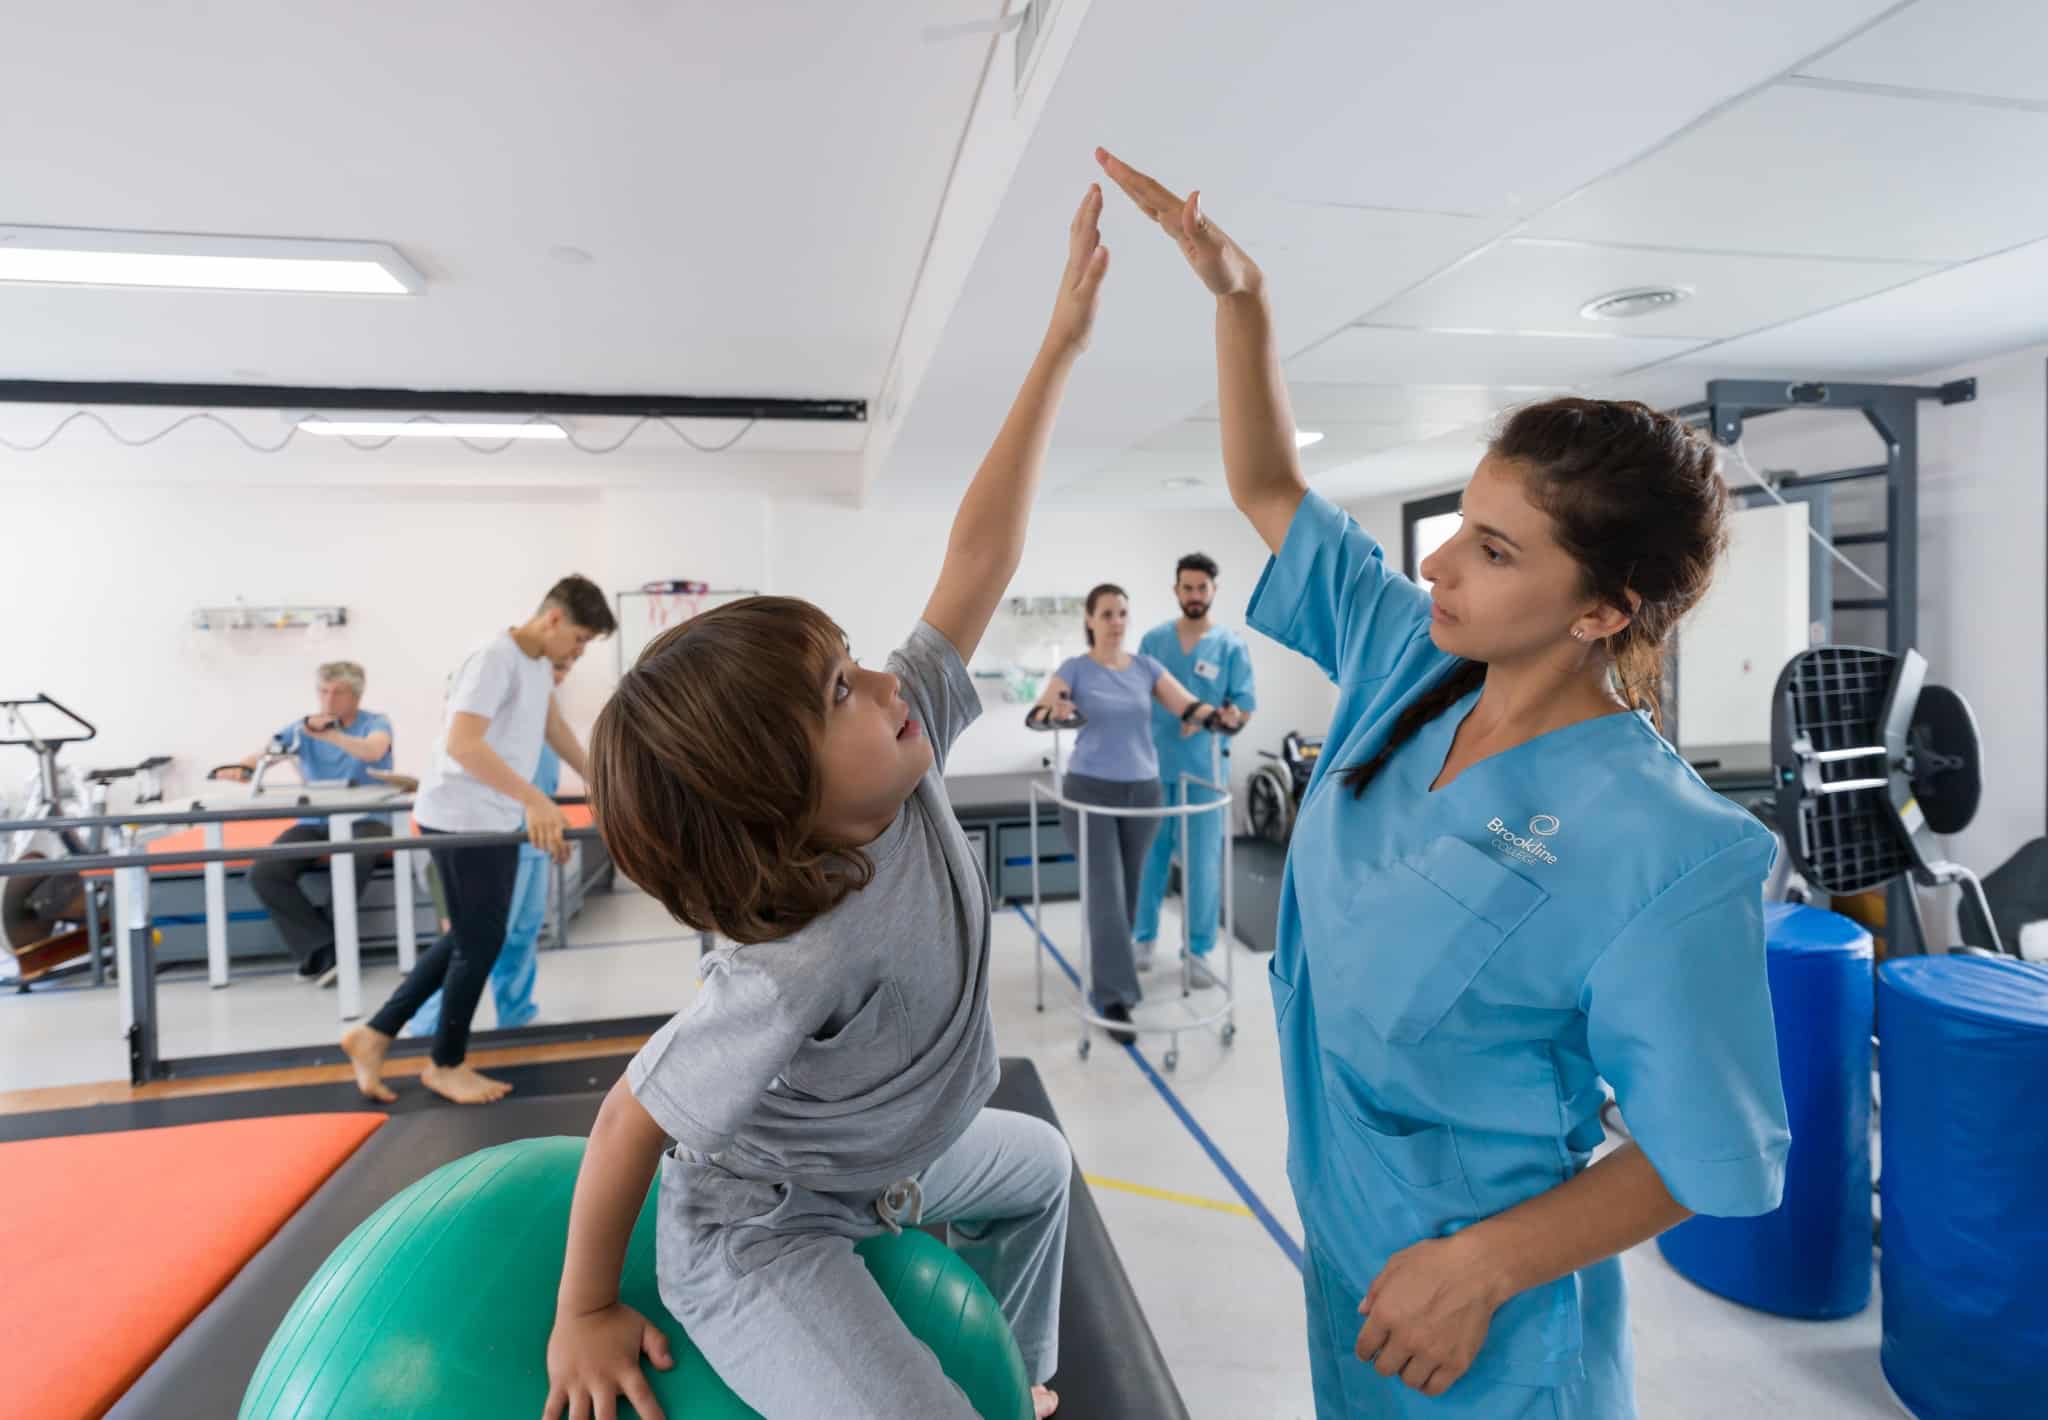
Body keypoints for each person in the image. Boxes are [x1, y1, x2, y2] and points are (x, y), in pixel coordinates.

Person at [1100, 148, 1790, 1419]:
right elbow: (1267, 487)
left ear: (1603, 609)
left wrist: (1483, 1265)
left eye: (1489, 547)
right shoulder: (1404, 660)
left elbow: (1717, 1152)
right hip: (1346, 1265)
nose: (1438, 566)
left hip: (1486, 1325)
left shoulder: (1671, 848)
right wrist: (1237, 297)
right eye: (1454, 525)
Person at [540, 186, 1111, 1420]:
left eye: (849, 660)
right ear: (773, 801)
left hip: (895, 1160)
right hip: (766, 1225)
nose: (880, 681)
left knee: (1043, 1170)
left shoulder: (900, 744)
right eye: (835, 692)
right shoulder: (793, 956)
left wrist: (1057, 344)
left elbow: (977, 557)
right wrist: (583, 1308)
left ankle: (1025, 1377)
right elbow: (634, 1114)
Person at [341, 577, 613, 1106]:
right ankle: (445, 1063)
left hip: (490, 815)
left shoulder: (536, 666)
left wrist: (598, 781)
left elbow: (553, 729)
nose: (578, 652)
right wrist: (535, 798)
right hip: (460, 816)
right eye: (579, 639)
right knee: (481, 940)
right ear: (553, 619)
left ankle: (373, 1036)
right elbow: (463, 745)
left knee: (470, 935)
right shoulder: (494, 658)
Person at [1027, 586, 1222, 1043]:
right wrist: (1055, 711)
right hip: (1090, 793)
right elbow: (1040, 711)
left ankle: (1110, 970)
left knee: (1129, 891)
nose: (1117, 621)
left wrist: (1220, 717)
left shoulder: (1145, 668)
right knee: (1106, 891)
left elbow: (1186, 704)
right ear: (1090, 620)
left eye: (1123, 614)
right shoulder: (1074, 669)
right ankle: (1112, 993)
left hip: (1143, 793)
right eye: (1108, 614)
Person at [407, 655, 575, 1038]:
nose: (559, 673)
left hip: (535, 836)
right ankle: (425, 1026)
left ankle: (516, 1016)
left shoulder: (541, 712)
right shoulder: (493, 715)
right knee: (473, 940)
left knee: (523, 932)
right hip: (496, 832)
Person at [222, 661, 395, 985]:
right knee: (264, 872)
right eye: (323, 691)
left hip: (367, 817)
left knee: (353, 858)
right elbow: (262, 756)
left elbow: (373, 751)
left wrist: (332, 735)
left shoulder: (375, 722)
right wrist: (238, 769)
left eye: (338, 692)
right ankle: (326, 948)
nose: (328, 700)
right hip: (316, 819)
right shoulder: (301, 728)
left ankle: (323, 953)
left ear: (356, 695)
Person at [1134, 552, 1256, 968]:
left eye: (1202, 588)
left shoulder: (1230, 646)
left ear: (1213, 590)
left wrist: (1218, 719)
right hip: (1153, 768)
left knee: (1203, 868)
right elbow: (1138, 692)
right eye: (1187, 587)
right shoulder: (1153, 642)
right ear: (1176, 590)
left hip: (1205, 773)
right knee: (1149, 862)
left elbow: (1243, 706)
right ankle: (1142, 940)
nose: (1194, 595)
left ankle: (1198, 951)